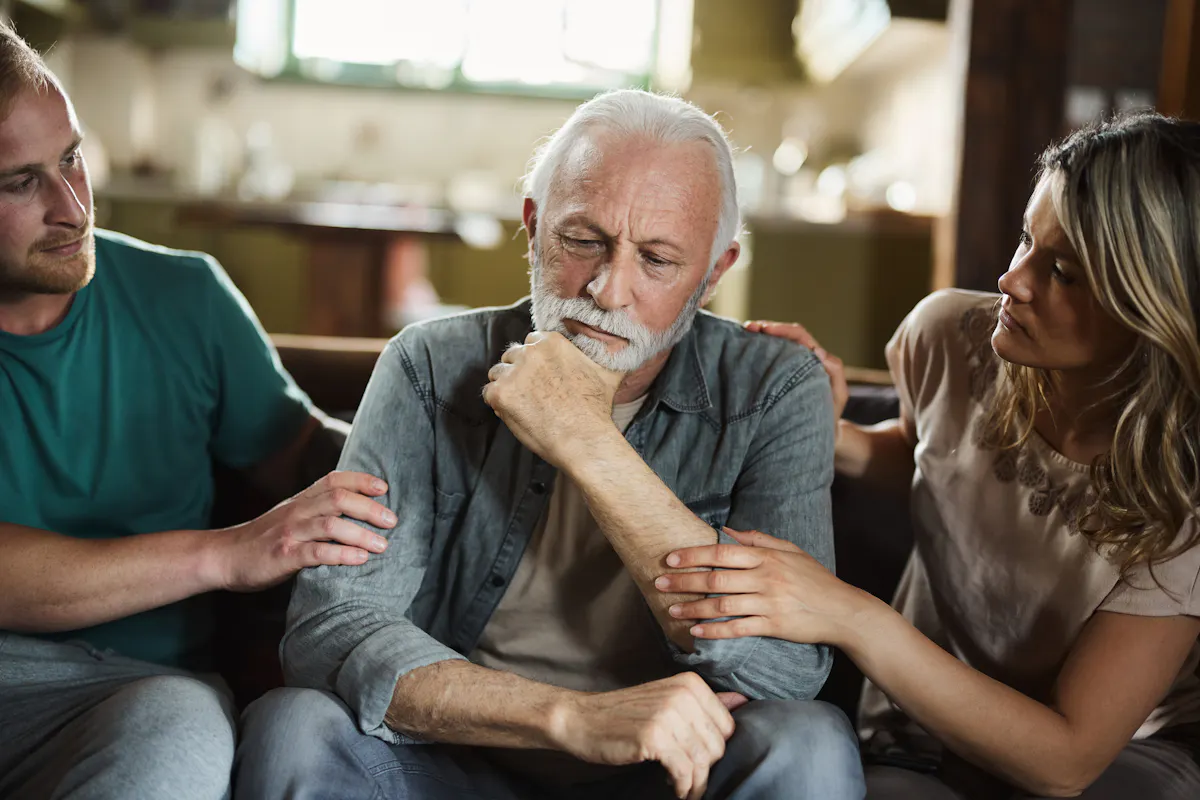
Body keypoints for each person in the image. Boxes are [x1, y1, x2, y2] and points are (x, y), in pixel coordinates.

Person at [235, 89, 865, 800]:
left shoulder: (776, 388)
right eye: (583, 241)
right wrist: (568, 717)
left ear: (715, 272)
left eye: (657, 259)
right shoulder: (430, 366)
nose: (607, 289)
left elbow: (784, 670)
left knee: (810, 743)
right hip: (458, 754)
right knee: (292, 725)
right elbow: (333, 630)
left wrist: (588, 442)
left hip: (672, 773)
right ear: (533, 226)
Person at [656, 110, 1200, 799]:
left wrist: (846, 613)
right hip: (919, 735)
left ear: (1154, 307)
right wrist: (825, 431)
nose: (1014, 280)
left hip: (1116, 761)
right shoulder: (950, 337)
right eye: (1027, 238)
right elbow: (933, 461)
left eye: (1061, 271)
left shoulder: (1185, 492)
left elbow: (1067, 759)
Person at [0, 23, 393, 800]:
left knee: (180, 732)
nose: (73, 207)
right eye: (19, 181)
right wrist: (228, 553)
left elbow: (302, 451)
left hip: (138, 689)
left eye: (73, 158)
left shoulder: (185, 296)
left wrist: (441, 449)